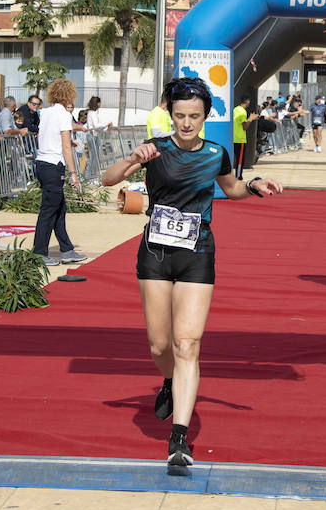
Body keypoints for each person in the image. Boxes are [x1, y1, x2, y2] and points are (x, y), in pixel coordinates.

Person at [98, 76, 284, 468]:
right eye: (180, 115)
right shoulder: (156, 150)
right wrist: (134, 159)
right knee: (159, 346)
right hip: (156, 253)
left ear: (205, 116)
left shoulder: (217, 152)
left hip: (198, 251)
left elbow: (230, 189)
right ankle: (168, 380)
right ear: (170, 114)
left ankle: (178, 440)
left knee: (188, 345)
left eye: (194, 116)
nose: (186, 123)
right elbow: (108, 180)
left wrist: (252, 184)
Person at [33, 78, 87, 268]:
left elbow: (43, 135)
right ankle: (39, 252)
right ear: (69, 95)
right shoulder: (64, 114)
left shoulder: (45, 112)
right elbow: (65, 147)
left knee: (58, 208)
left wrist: (63, 142)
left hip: (41, 163)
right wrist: (74, 173)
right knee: (48, 211)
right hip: (54, 165)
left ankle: (66, 249)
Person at [231, 94, 257, 179]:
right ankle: (238, 177)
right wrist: (251, 118)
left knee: (234, 158)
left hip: (233, 138)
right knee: (240, 160)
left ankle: (236, 176)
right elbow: (245, 126)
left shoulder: (235, 109)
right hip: (240, 139)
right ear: (247, 101)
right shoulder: (242, 112)